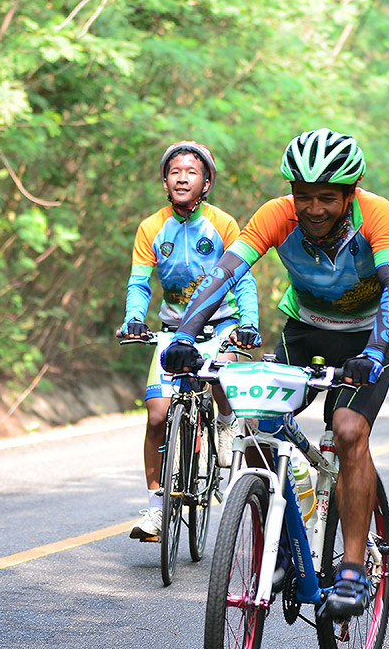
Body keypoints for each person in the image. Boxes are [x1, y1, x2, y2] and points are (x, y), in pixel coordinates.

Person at [161, 128, 389, 620]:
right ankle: (277, 537)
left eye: (326, 197)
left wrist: (376, 350)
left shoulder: (376, 214)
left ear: (350, 193)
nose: (313, 208)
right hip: (306, 331)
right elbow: (225, 272)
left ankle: (353, 569)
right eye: (303, 195)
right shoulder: (277, 214)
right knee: (261, 423)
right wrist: (185, 335)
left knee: (347, 430)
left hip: (368, 339)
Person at [116, 140, 261, 542]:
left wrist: (249, 322)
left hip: (220, 323)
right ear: (165, 182)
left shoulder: (223, 224)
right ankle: (156, 508)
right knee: (157, 417)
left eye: (191, 172)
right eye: (174, 172)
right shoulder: (151, 227)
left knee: (222, 374)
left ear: (206, 183)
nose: (182, 178)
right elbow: (139, 282)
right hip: (172, 328)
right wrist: (133, 319)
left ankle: (227, 424)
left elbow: (243, 278)